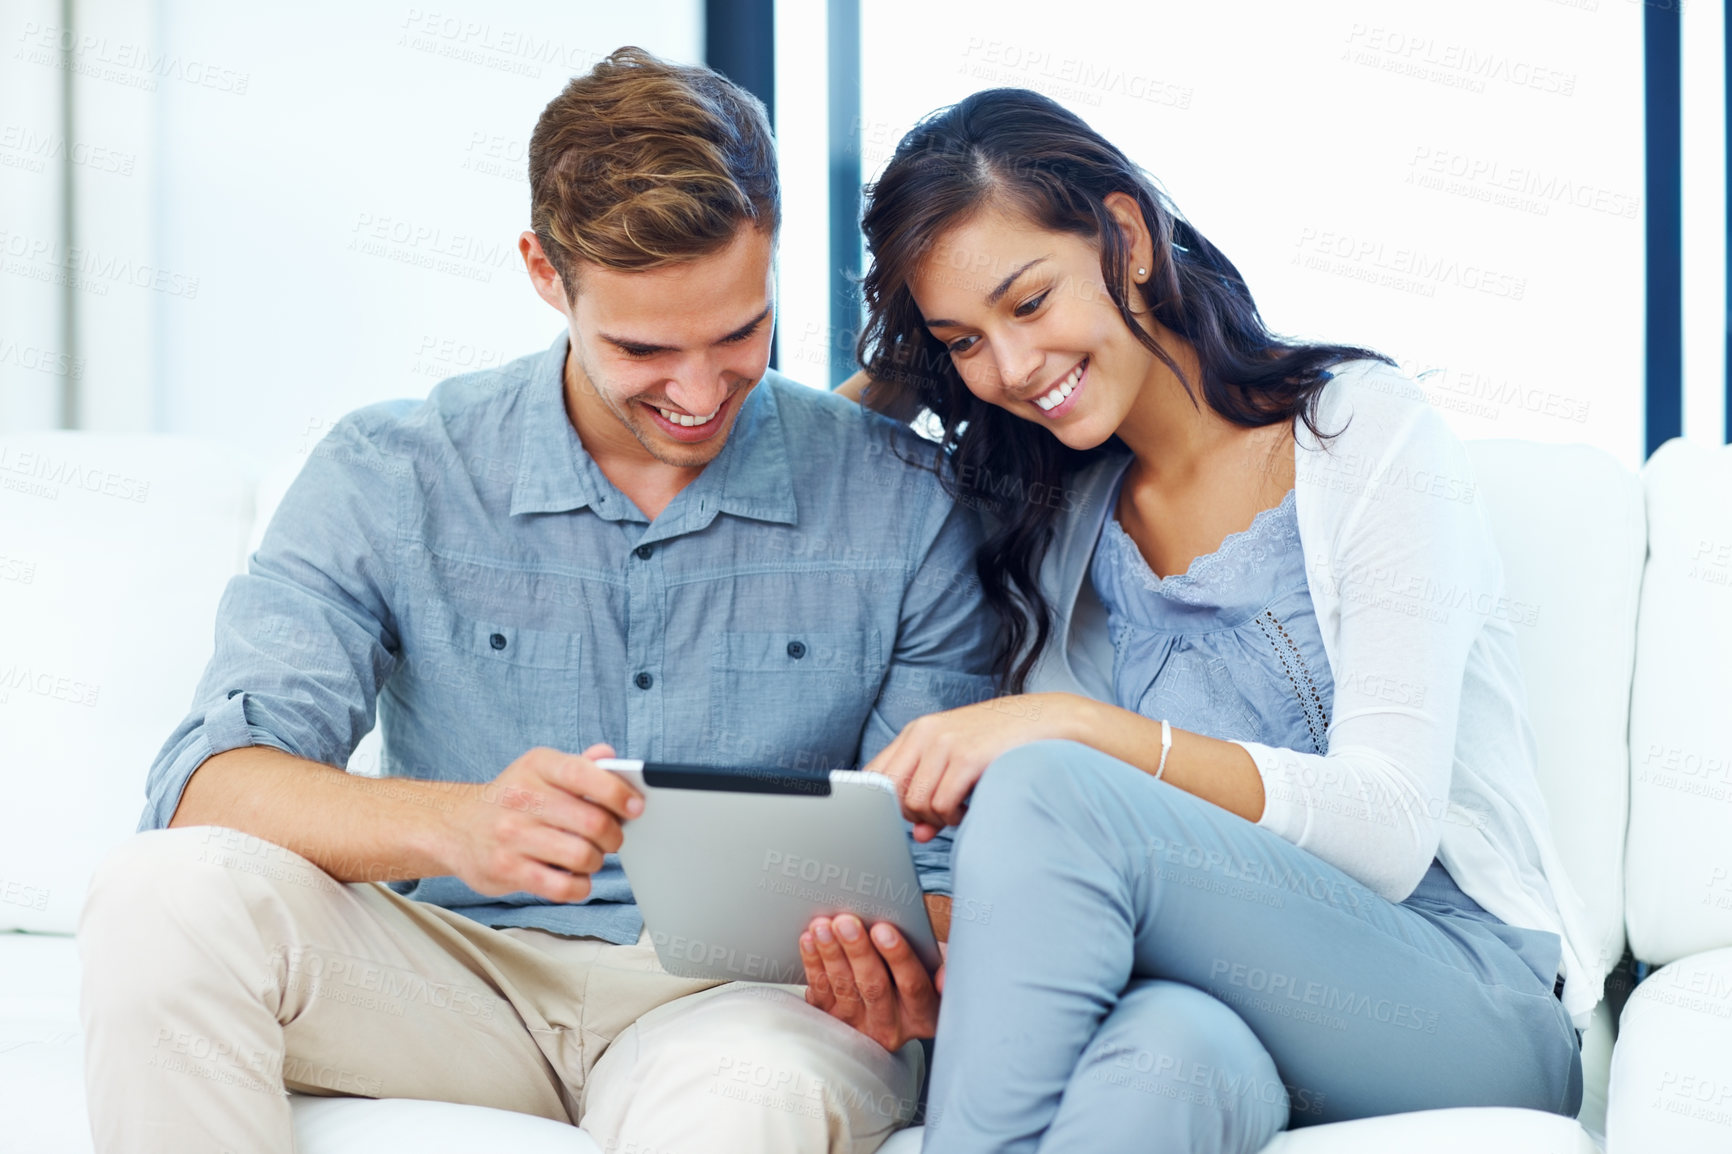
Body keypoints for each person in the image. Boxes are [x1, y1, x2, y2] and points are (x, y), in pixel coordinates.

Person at [77, 47, 995, 1154]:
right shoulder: (396, 468)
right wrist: (461, 823)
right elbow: (205, 785)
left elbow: (940, 877)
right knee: (159, 894)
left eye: (738, 334)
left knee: (749, 1099)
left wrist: (909, 961)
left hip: (746, 1002)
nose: (699, 394)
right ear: (544, 274)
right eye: (642, 347)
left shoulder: (906, 501)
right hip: (452, 975)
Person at [809, 87, 1601, 1153]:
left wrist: (1073, 728)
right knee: (1163, 1060)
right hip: (1221, 1000)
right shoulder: (1058, 522)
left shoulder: (1360, 431)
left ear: (1125, 235)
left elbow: (1386, 829)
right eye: (965, 340)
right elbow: (813, 473)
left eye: (1030, 302)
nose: (1009, 367)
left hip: (1459, 998)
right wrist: (916, 346)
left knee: (1046, 784)